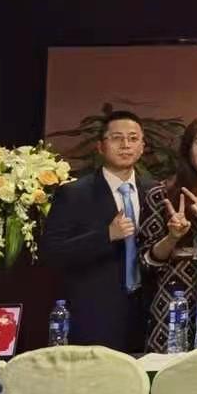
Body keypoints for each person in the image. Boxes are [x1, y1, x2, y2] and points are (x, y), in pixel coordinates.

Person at [41, 110, 156, 352]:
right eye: (116, 138)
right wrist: (106, 236)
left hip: (147, 312)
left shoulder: (155, 191)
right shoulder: (74, 194)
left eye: (133, 138)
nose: (125, 145)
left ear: (142, 147)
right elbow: (52, 252)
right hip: (96, 313)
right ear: (100, 147)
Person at [140, 116, 197, 352]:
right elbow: (146, 262)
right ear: (188, 147)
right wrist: (172, 237)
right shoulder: (161, 194)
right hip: (173, 300)